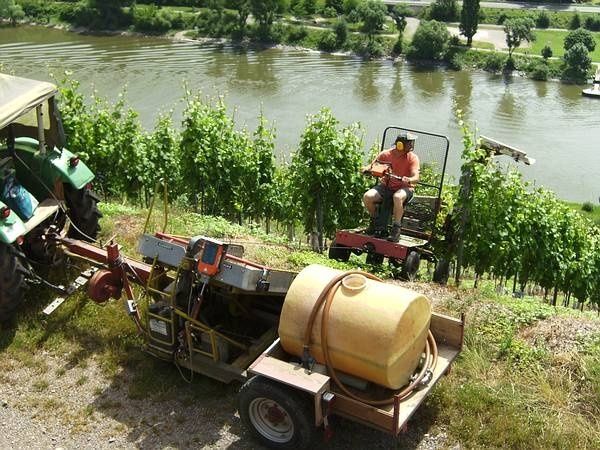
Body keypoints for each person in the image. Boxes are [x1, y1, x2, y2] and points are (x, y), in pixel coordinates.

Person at [362, 131, 420, 242]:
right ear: (400, 144)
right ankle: (375, 222)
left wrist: (409, 179)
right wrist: (366, 169)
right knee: (367, 197)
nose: (412, 145)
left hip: (405, 188)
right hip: (386, 186)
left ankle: (396, 228)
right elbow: (372, 165)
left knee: (397, 197)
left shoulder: (412, 158)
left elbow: (416, 177)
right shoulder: (385, 154)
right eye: (409, 143)